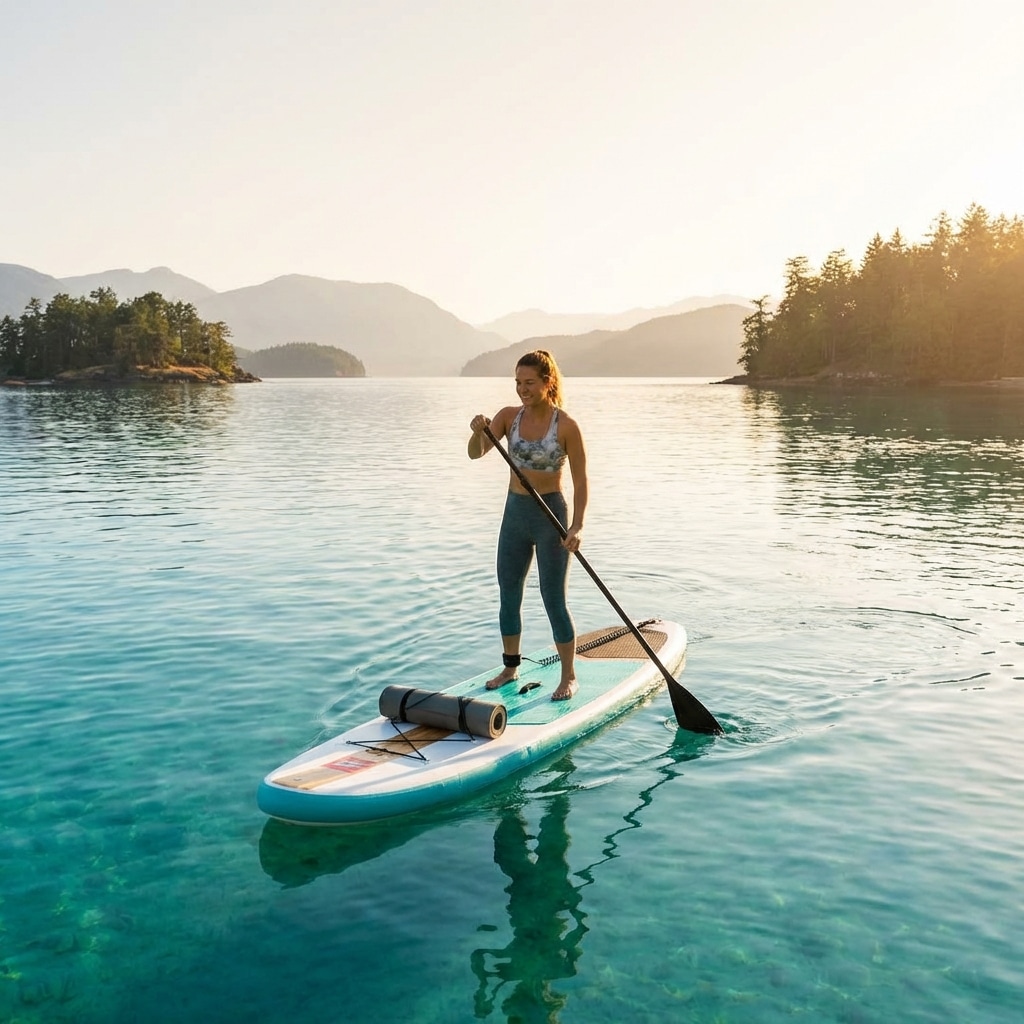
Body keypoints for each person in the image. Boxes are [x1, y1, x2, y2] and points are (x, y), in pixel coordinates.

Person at [468, 349, 588, 701]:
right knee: (509, 593)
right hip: (515, 515)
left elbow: (581, 482)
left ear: (548, 383)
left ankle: (569, 676)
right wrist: (479, 432)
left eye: (530, 382)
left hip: (551, 515)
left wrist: (577, 527)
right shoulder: (507, 418)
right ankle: (510, 667)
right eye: (518, 382)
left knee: (553, 598)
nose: (522, 389)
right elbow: (476, 453)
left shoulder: (566, 426)